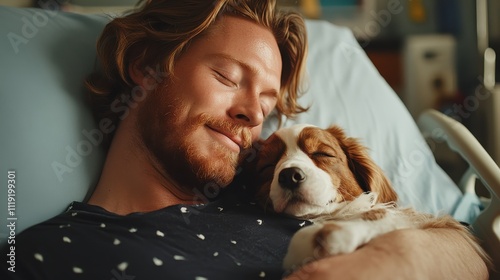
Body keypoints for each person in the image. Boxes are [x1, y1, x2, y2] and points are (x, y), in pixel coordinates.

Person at [1, 0, 488, 279]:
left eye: (268, 103)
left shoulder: (272, 196)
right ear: (145, 66)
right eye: (228, 77)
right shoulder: (51, 253)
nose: (253, 113)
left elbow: (472, 250)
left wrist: (393, 261)